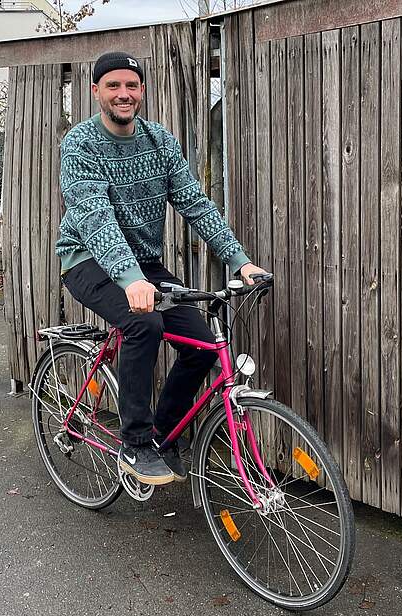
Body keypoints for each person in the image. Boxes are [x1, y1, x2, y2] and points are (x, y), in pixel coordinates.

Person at [56, 51, 265, 486]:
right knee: (144, 324)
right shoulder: (80, 144)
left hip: (145, 265)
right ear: (96, 91)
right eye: (113, 85)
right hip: (88, 259)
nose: (123, 93)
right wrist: (130, 279)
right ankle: (133, 446)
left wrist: (239, 261)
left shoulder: (159, 142)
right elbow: (94, 214)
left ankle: (159, 437)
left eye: (131, 85)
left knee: (203, 345)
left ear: (142, 91)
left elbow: (195, 203)